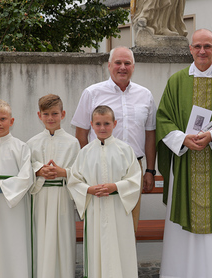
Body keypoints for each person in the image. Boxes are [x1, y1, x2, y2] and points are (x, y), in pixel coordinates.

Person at [156, 28, 212, 278]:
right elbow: (164, 119)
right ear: (190, 49)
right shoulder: (176, 82)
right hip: (185, 163)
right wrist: (182, 138)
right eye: (197, 46)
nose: (202, 51)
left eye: (207, 46)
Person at [71, 46, 157, 232]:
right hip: (99, 168)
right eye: (118, 63)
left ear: (134, 66)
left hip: (133, 170)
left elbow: (150, 134)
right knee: (101, 227)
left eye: (127, 63)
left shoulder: (145, 95)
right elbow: (81, 134)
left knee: (129, 226)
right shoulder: (92, 93)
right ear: (109, 66)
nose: (122, 67)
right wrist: (86, 167)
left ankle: (125, 262)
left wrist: (150, 170)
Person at [68, 105, 141, 278]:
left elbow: (135, 178)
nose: (102, 128)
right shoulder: (85, 152)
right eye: (98, 123)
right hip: (95, 208)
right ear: (91, 124)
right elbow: (74, 180)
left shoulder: (126, 150)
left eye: (107, 123)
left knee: (120, 247)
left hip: (118, 208)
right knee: (98, 249)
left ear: (115, 124)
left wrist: (116, 187)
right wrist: (89, 189)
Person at [27, 94, 80, 278]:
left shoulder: (72, 142)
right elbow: (25, 169)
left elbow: (79, 172)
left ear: (63, 114)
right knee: (41, 239)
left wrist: (63, 172)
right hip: (40, 197)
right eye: (46, 114)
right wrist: (38, 170)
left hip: (63, 196)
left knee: (62, 240)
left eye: (55, 113)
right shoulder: (32, 143)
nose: (50, 118)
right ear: (39, 115)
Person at [0, 99, 33, 278]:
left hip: (14, 207)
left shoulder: (21, 147)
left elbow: (27, 177)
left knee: (14, 246)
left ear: (12, 121)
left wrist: (0, 185)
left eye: (3, 119)